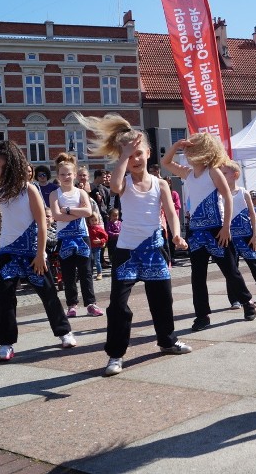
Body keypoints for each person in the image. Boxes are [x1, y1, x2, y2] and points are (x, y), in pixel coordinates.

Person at [76, 113, 192, 376]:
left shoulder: (161, 183)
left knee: (163, 300)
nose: (136, 159)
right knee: (118, 304)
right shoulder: (124, 181)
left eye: (139, 153)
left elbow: (171, 213)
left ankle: (167, 341)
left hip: (154, 249)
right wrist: (124, 156)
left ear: (149, 153)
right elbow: (115, 186)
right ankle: (116, 355)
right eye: (130, 155)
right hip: (127, 251)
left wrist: (176, 234)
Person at [0, 140, 76, 361]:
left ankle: (64, 332)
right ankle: (6, 343)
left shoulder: (29, 189)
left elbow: (42, 223)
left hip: (32, 252)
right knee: (4, 299)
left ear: (14, 166)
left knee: (48, 294)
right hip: (7, 252)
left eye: (2, 167)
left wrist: (41, 253)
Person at [162, 132, 256, 331]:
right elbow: (166, 162)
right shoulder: (187, 173)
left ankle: (247, 302)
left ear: (202, 152)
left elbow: (228, 198)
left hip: (217, 229)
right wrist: (177, 145)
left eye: (191, 149)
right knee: (197, 276)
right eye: (187, 150)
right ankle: (202, 315)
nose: (187, 154)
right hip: (196, 231)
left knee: (230, 271)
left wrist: (226, 227)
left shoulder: (213, 171)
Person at [49, 153, 104, 317]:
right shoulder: (55, 194)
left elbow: (88, 211)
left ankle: (91, 303)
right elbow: (56, 215)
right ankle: (72, 304)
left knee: (86, 271)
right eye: (62, 174)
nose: (66, 177)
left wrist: (67, 210)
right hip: (64, 238)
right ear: (58, 175)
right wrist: (75, 213)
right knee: (68, 273)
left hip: (82, 236)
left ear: (74, 175)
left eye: (69, 174)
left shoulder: (81, 193)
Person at [220, 159, 256, 305]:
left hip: (246, 235)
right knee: (232, 269)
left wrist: (254, 235)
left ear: (235, 174)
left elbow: (252, 214)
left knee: (255, 263)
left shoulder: (243, 192)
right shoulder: (219, 194)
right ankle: (235, 299)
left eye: (225, 173)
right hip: (230, 237)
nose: (222, 175)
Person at [87, 213, 108, 281]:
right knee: (90, 261)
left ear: (98, 221)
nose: (94, 222)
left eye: (95, 220)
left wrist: (100, 241)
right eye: (92, 220)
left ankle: (99, 273)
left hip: (96, 247)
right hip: (89, 247)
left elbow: (106, 237)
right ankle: (90, 273)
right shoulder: (87, 228)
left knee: (97, 261)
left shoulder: (99, 228)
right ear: (89, 221)